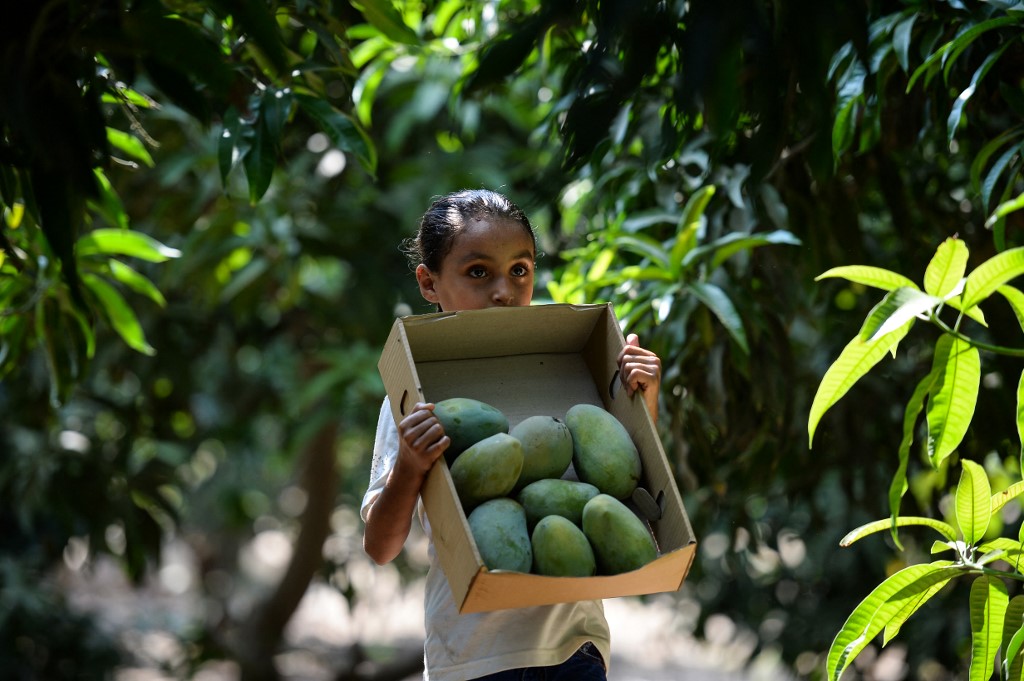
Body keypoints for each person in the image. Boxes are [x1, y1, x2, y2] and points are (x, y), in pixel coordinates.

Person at [361, 189, 662, 680]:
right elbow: (380, 546)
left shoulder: (563, 368)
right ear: (428, 282)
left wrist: (640, 397)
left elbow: (629, 487)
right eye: (478, 272)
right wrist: (411, 467)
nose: (504, 289)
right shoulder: (417, 400)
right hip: (472, 657)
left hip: (573, 650)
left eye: (519, 269)